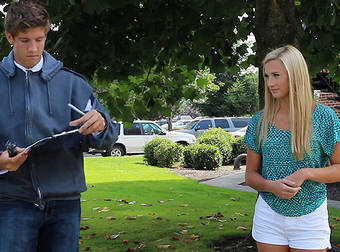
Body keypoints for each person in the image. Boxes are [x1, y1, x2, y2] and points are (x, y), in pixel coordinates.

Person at [0, 0, 118, 251]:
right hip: (11, 201)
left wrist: (100, 125)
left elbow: (106, 138)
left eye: (39, 39)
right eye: (24, 40)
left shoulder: (73, 84)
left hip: (65, 203)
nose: (34, 48)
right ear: (9, 36)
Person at [244, 45, 340, 252]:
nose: (270, 83)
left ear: (295, 76)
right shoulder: (260, 121)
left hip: (310, 216)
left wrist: (306, 173)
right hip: (268, 215)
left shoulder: (323, 118)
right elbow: (250, 175)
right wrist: (272, 187)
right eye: (267, 76)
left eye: (276, 75)